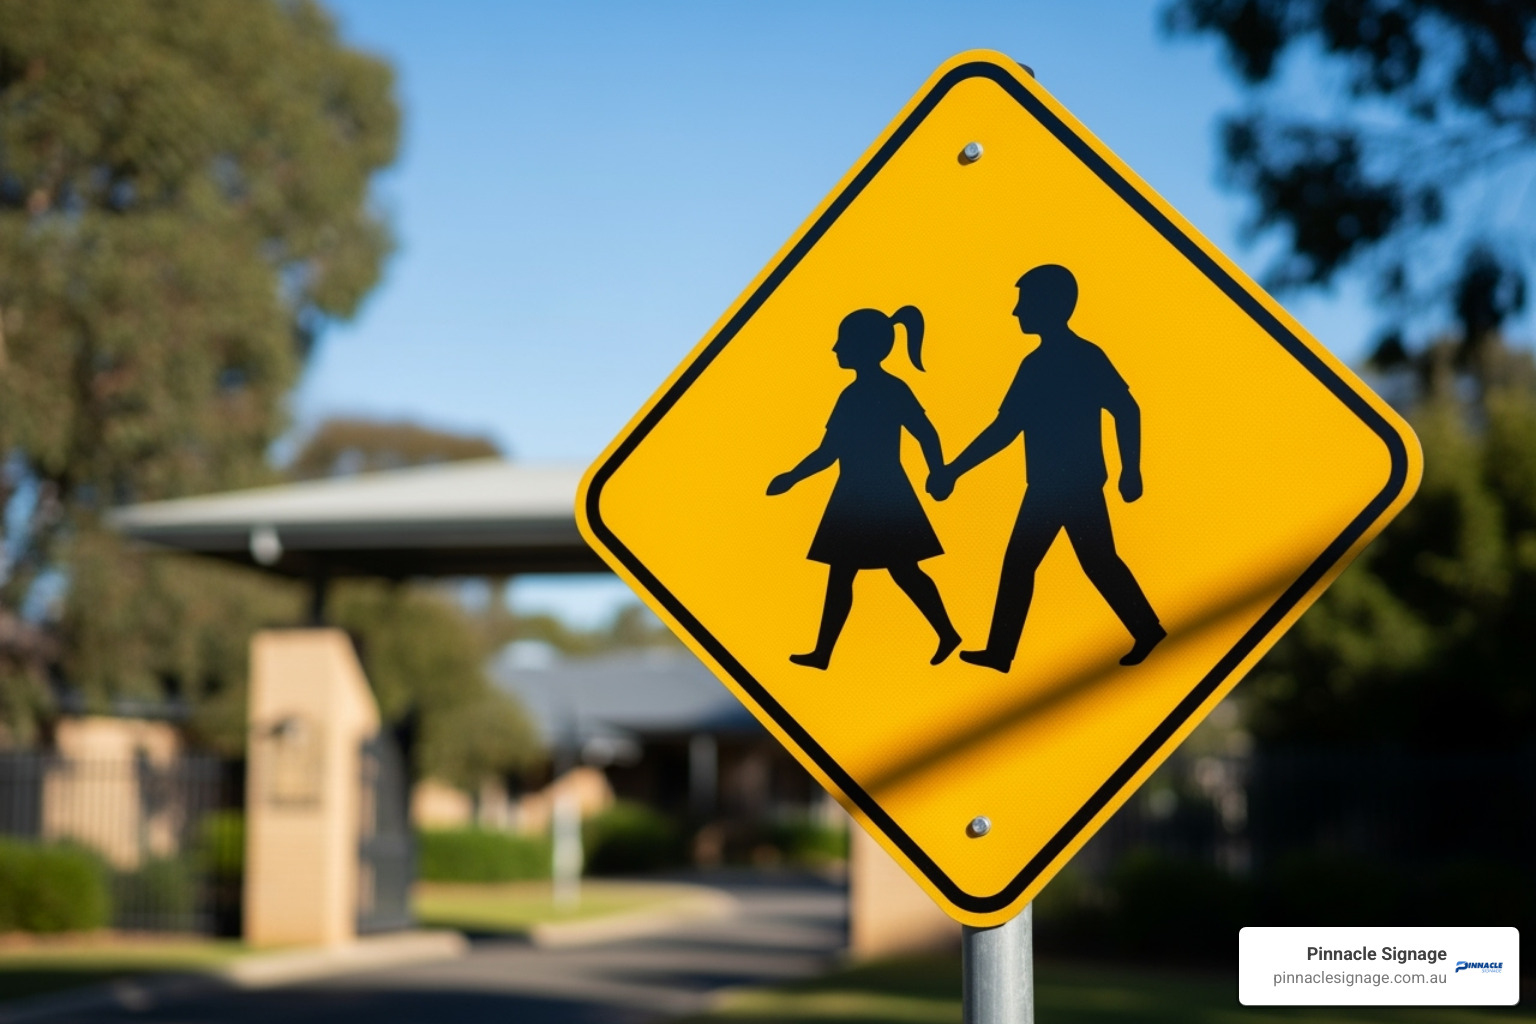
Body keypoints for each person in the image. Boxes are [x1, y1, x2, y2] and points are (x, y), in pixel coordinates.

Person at [928, 265, 1165, 672]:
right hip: (1048, 483)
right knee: (1080, 561)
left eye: (1024, 302)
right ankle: (1143, 629)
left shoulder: (1084, 356)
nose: (1016, 312)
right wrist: (954, 470)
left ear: (1051, 306)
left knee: (1050, 562)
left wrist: (1133, 469)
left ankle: (1005, 651)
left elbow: (1126, 409)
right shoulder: (1034, 364)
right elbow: (1006, 428)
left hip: (1072, 483)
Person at [768, 306, 961, 670]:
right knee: (848, 574)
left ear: (863, 346)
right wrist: (792, 477)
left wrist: (937, 472)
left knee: (901, 571)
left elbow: (925, 432)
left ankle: (947, 632)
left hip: (883, 495)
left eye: (842, 341)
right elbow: (830, 452)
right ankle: (824, 652)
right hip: (855, 495)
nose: (835, 349)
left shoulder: (888, 390)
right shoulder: (852, 395)